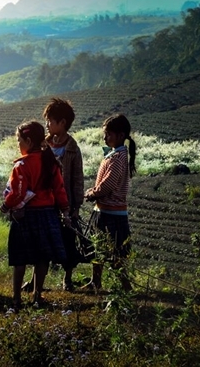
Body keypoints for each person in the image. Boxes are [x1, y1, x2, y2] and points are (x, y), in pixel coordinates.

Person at [0, 121, 72, 309]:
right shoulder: (51, 162)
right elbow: (60, 189)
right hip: (47, 215)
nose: (18, 144)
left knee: (20, 258)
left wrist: (6, 205)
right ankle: (37, 297)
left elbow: (17, 194)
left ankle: (16, 299)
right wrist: (65, 210)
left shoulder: (21, 165)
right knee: (42, 258)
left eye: (19, 140)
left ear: (29, 141)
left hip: (26, 217)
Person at [22, 97, 85, 292]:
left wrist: (75, 207)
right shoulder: (43, 145)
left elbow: (77, 180)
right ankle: (35, 281)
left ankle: (67, 279)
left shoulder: (73, 149)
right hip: (45, 204)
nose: (47, 125)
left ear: (62, 123)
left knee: (67, 242)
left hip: (65, 203)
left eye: (50, 121)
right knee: (41, 243)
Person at [82, 113, 136, 292]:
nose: (105, 137)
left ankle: (125, 286)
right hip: (107, 210)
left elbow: (108, 185)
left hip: (110, 212)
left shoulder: (117, 158)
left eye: (109, 134)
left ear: (120, 136)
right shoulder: (116, 155)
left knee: (114, 252)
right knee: (101, 248)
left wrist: (92, 193)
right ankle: (95, 282)